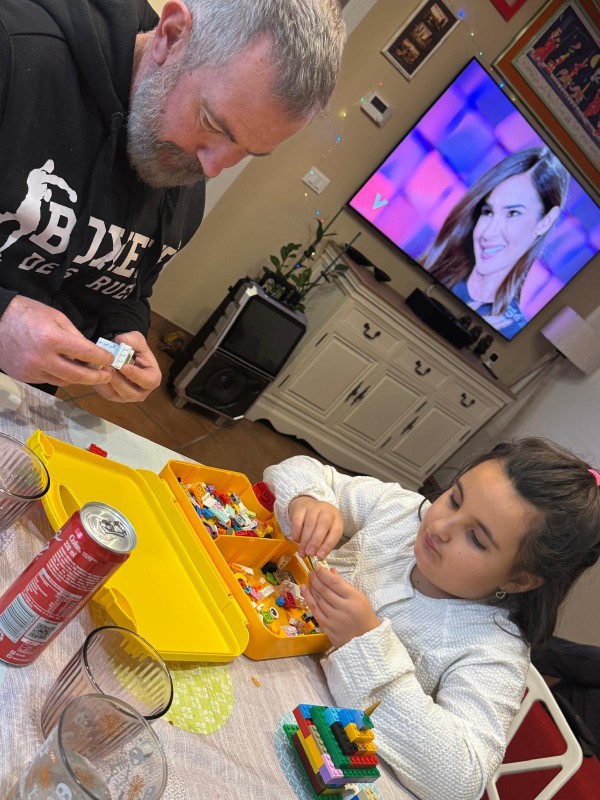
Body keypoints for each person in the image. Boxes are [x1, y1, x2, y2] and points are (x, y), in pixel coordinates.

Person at [0, 0, 345, 401]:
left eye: (249, 152)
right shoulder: (16, 50)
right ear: (171, 36)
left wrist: (123, 333)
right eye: (213, 123)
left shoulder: (181, 158)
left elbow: (126, 286)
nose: (212, 169)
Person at [263, 439, 600, 800]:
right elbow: (298, 471)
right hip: (266, 656)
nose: (440, 526)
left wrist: (365, 643)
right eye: (455, 498)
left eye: (475, 537)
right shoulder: (403, 513)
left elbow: (461, 780)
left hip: (314, 754)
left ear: (518, 580)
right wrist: (309, 500)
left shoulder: (493, 650)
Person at [424, 147, 569, 337]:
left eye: (513, 213)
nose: (489, 233)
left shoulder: (511, 330)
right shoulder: (432, 271)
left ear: (545, 222)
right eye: (488, 212)